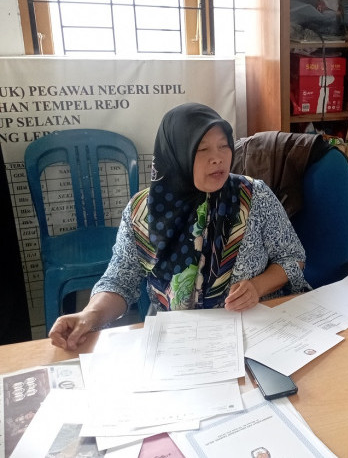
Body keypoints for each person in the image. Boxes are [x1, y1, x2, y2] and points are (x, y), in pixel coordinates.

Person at [49, 103, 308, 350]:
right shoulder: (142, 212)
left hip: (254, 332)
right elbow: (120, 279)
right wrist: (89, 315)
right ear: (176, 154)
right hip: (180, 342)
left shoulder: (254, 196)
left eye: (223, 146)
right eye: (201, 150)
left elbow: (293, 258)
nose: (217, 158)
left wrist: (257, 287)